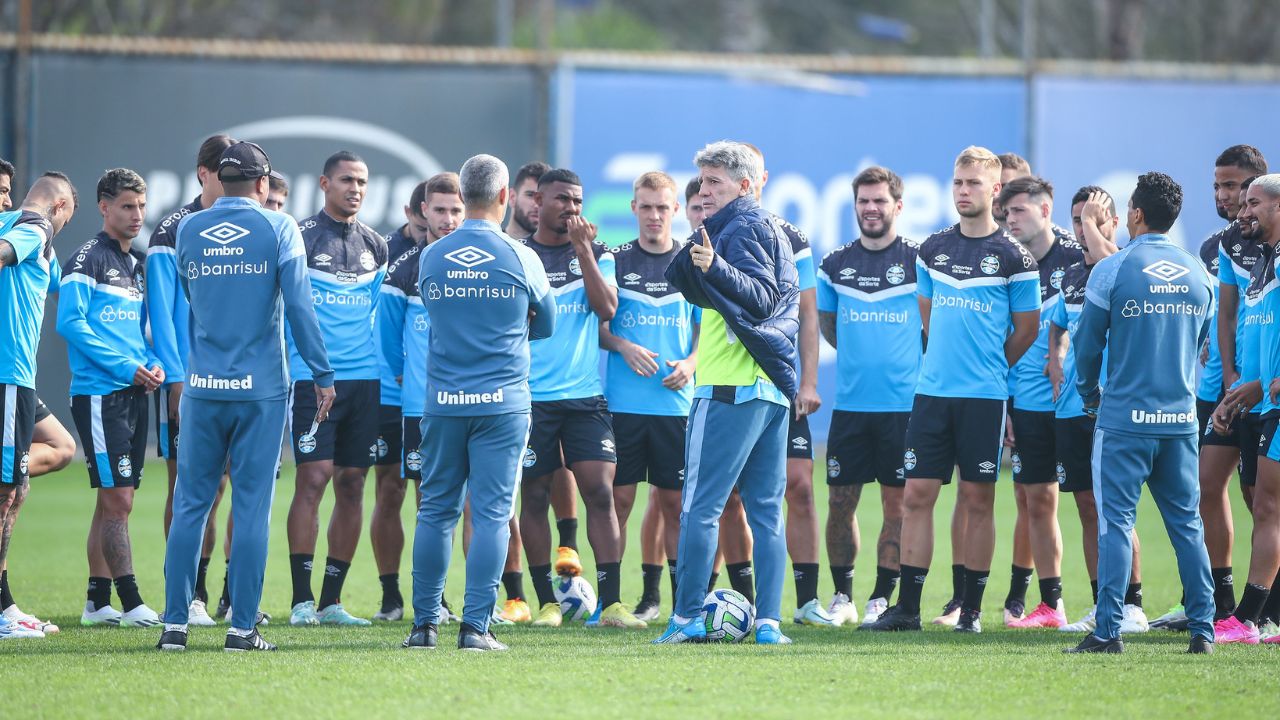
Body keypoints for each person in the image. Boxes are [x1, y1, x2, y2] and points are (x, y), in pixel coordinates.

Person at [159, 141, 334, 652]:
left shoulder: (189, 228)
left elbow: (193, 295)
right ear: (263, 185)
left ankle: (174, 627)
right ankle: (241, 629)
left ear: (218, 178)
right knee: (253, 507)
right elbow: (300, 306)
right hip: (260, 390)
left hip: (203, 388)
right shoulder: (279, 227)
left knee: (190, 504)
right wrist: (322, 373)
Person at [862, 146, 1039, 634]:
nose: (963, 191)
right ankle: (907, 610)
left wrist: (988, 367)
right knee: (916, 495)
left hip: (983, 397)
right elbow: (928, 315)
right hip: (931, 394)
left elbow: (1027, 329)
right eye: (958, 182)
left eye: (974, 184)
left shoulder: (1015, 257)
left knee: (978, 500)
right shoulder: (932, 250)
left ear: (995, 191)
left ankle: (972, 612)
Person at [402, 154, 556, 651]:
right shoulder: (521, 256)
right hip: (503, 403)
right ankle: (475, 627)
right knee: (491, 515)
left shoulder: (432, 256)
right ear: (506, 196)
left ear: (462, 197)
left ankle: (424, 626)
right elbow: (547, 325)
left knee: (435, 513)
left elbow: (438, 312)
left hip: (443, 401)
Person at [1067, 171, 1216, 655]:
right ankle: (1203, 631)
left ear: (1135, 214)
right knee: (1187, 526)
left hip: (1124, 421)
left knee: (1115, 523)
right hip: (1180, 422)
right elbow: (1199, 347)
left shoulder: (1111, 271)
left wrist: (1090, 395)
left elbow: (1087, 348)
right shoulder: (1199, 274)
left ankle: (1107, 630)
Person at [658, 140, 800, 645]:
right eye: (701, 181)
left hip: (729, 388)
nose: (704, 189)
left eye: (714, 181)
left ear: (745, 185)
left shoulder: (742, 227)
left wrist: (714, 267)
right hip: (769, 388)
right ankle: (767, 624)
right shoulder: (764, 228)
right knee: (766, 512)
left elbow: (760, 299)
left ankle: (686, 619)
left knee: (700, 507)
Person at [517, 168, 645, 629]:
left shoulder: (597, 253)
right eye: (562, 200)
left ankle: (610, 605)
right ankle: (548, 602)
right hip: (531, 399)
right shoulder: (519, 255)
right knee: (533, 496)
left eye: (577, 201)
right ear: (539, 202)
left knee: (599, 491)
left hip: (585, 397)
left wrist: (583, 250)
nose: (571, 208)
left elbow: (607, 309)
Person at [285, 151, 388, 627]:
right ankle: (301, 600)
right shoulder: (300, 238)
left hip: (365, 381)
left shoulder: (376, 246)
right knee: (313, 478)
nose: (356, 189)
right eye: (347, 180)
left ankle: (331, 601)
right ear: (325, 182)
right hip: (312, 379)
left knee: (353, 483)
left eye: (363, 182)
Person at [57, 168, 164, 629]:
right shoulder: (86, 259)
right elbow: (71, 323)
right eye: (126, 206)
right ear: (104, 207)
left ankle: (97, 604)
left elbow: (144, 330)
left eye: (141, 206)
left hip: (135, 390)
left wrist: (156, 361)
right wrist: (125, 367)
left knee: (112, 500)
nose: (137, 215)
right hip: (101, 394)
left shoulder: (138, 262)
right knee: (118, 499)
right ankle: (132, 599)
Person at [818, 166, 918, 626]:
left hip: (904, 409)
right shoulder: (834, 265)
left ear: (898, 205)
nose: (871, 209)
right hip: (852, 407)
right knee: (841, 502)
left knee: (897, 506)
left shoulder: (920, 261)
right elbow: (828, 326)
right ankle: (843, 595)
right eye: (863, 201)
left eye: (880, 201)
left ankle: (882, 596)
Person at [599, 171, 698, 621]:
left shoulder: (692, 262)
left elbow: (707, 332)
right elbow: (598, 328)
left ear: (675, 211)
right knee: (618, 502)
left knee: (674, 504)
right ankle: (611, 602)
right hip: (622, 406)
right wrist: (623, 345)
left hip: (675, 406)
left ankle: (681, 606)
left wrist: (691, 363)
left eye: (663, 207)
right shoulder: (614, 261)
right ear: (633, 208)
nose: (655, 215)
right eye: (647, 206)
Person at [1047, 187, 1146, 634]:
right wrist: (1055, 358)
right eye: (1076, 220)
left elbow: (1106, 260)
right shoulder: (1068, 276)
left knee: (1117, 511)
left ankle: (1134, 606)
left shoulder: (1125, 270)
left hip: (1116, 409)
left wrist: (1090, 225)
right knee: (1089, 509)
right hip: (1073, 410)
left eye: (1093, 218)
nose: (1082, 228)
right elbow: (1057, 324)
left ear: (1114, 224)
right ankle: (1101, 603)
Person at [147, 134, 235, 627]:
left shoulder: (246, 228)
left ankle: (210, 591)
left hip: (237, 380)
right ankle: (186, 595)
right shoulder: (174, 230)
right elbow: (163, 311)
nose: (234, 181)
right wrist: (176, 379)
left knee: (223, 488)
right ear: (202, 173)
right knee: (186, 487)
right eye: (224, 171)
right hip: (192, 381)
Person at [374, 173, 463, 622]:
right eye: (440, 210)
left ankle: (454, 598)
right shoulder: (404, 269)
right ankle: (416, 598)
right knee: (427, 501)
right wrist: (413, 382)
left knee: (467, 502)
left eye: (456, 210)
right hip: (420, 407)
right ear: (422, 211)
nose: (448, 219)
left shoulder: (477, 262)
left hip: (471, 401)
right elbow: (389, 343)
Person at [999, 177, 1084, 629]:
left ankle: (1118, 604)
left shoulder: (1077, 255)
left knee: (1095, 505)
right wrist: (1009, 405)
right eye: (1007, 213)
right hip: (1027, 403)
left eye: (1019, 212)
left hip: (1074, 404)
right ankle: (1051, 605)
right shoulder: (1008, 260)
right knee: (1037, 502)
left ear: (1045, 211)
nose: (1011, 221)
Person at [0, 158, 75, 637]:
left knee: (60, 448)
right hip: (8, 377)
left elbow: (60, 290)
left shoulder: (35, 240)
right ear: (62, 206)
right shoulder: (34, 226)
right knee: (8, 491)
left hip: (20, 381)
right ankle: (3, 611)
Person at [1209, 173, 1280, 644]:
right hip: (1256, 405)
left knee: (1271, 506)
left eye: (1252, 202)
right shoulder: (1261, 262)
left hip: (1274, 404)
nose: (1242, 211)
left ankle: (1249, 617)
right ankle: (1260, 616)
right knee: (1261, 504)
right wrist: (1236, 392)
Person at [505, 160, 582, 588]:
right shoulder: (508, 253)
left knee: (571, 471)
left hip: (572, 392)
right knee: (511, 497)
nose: (541, 206)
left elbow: (603, 314)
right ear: (515, 198)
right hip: (517, 392)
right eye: (531, 195)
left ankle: (567, 550)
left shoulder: (579, 250)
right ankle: (519, 595)